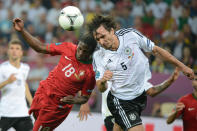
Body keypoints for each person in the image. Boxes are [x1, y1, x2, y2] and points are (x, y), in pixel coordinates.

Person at [87, 15, 194, 131]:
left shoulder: (130, 35)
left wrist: (183, 67)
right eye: (98, 39)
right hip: (120, 101)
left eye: (103, 36)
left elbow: (156, 50)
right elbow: (101, 87)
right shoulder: (99, 56)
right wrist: (103, 81)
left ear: (112, 31)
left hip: (139, 97)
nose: (101, 42)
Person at [13, 18, 97, 131]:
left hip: (57, 106)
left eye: (85, 51)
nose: (81, 53)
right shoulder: (68, 47)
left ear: (91, 52)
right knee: (36, 120)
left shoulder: (90, 73)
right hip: (44, 91)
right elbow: (40, 47)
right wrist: (22, 30)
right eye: (80, 48)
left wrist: (74, 100)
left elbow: (84, 98)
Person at [79, 67, 180, 131]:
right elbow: (98, 86)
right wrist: (85, 101)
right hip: (111, 115)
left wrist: (170, 81)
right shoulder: (110, 68)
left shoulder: (136, 76)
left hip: (126, 113)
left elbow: (152, 91)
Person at [0, 39, 33, 131]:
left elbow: (24, 84)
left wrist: (31, 102)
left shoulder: (25, 68)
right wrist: (7, 81)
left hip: (22, 113)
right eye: (12, 48)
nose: (14, 50)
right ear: (8, 51)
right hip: (5, 112)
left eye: (17, 48)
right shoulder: (2, 68)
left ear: (21, 53)